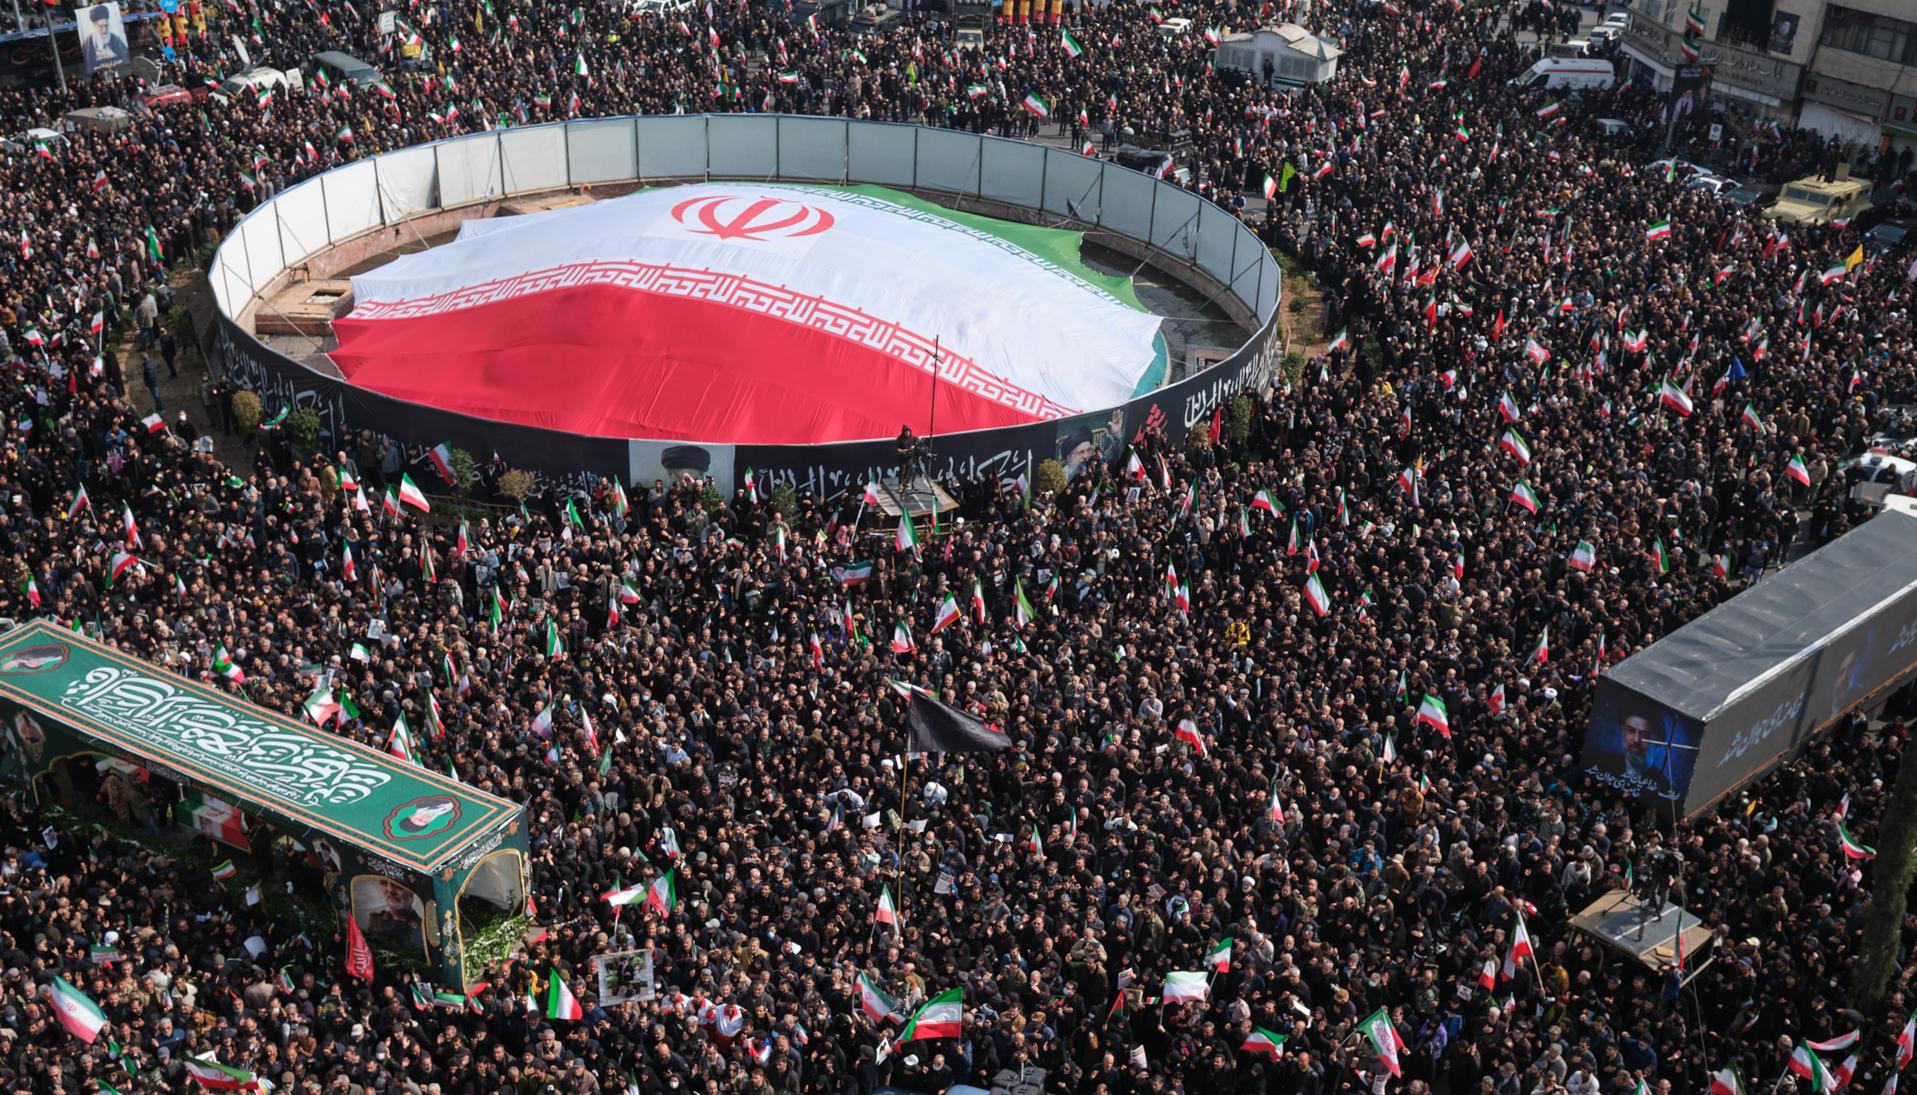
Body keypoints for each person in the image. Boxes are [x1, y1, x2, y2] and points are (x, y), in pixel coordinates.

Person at [80, 4, 129, 71]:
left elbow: (126, 59)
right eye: (100, 26)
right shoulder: (87, 43)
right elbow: (86, 66)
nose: (104, 30)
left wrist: (113, 55)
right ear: (94, 25)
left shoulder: (116, 40)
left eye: (106, 26)